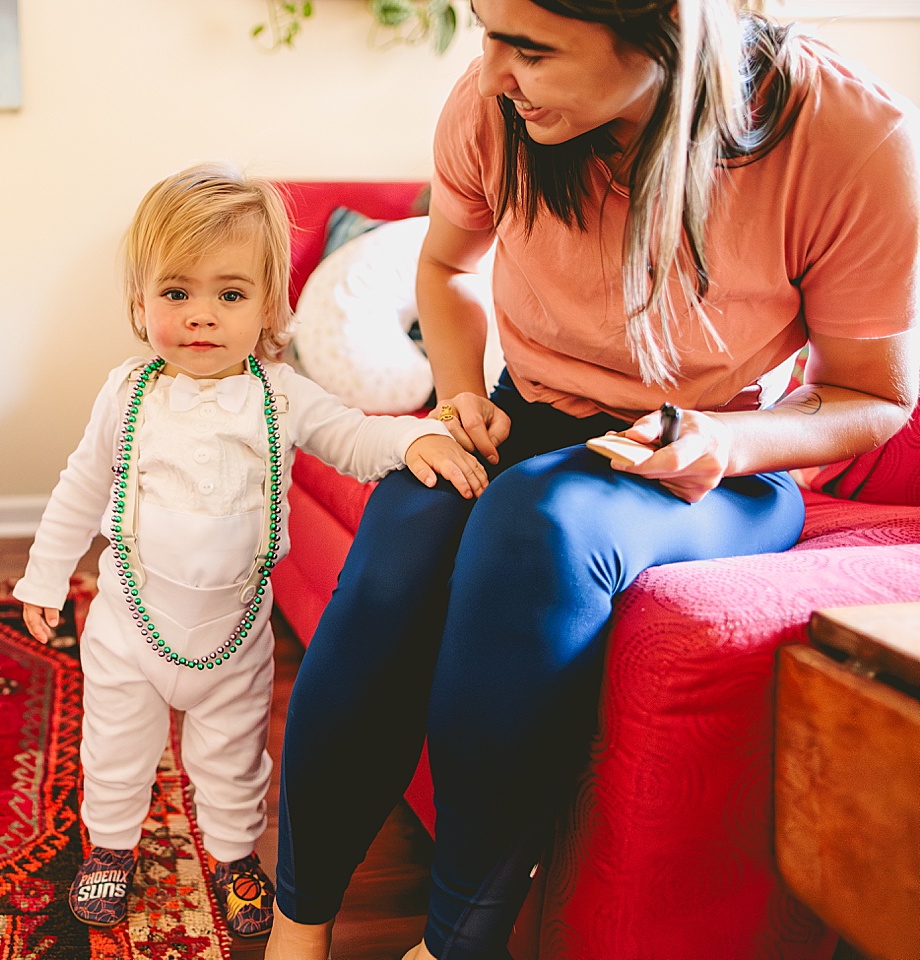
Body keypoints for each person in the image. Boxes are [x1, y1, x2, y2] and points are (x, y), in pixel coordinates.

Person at [266, 2, 920, 958]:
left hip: (725, 463)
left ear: (665, 38)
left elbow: (871, 398)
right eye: (486, 30)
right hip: (531, 413)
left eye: (529, 48)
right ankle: (299, 928)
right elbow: (445, 268)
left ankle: (457, 946)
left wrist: (719, 443)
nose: (491, 73)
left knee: (541, 524)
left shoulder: (848, 138)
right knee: (413, 511)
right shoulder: (495, 109)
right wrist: (456, 400)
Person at [12, 162, 487, 937]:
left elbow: (356, 437)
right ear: (141, 303)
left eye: (230, 295)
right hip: (130, 624)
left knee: (233, 762)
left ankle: (234, 858)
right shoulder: (127, 393)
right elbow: (81, 484)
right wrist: (45, 573)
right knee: (116, 748)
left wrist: (417, 436)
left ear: (270, 306)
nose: (202, 317)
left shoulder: (282, 394)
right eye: (177, 293)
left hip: (233, 633)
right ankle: (110, 847)